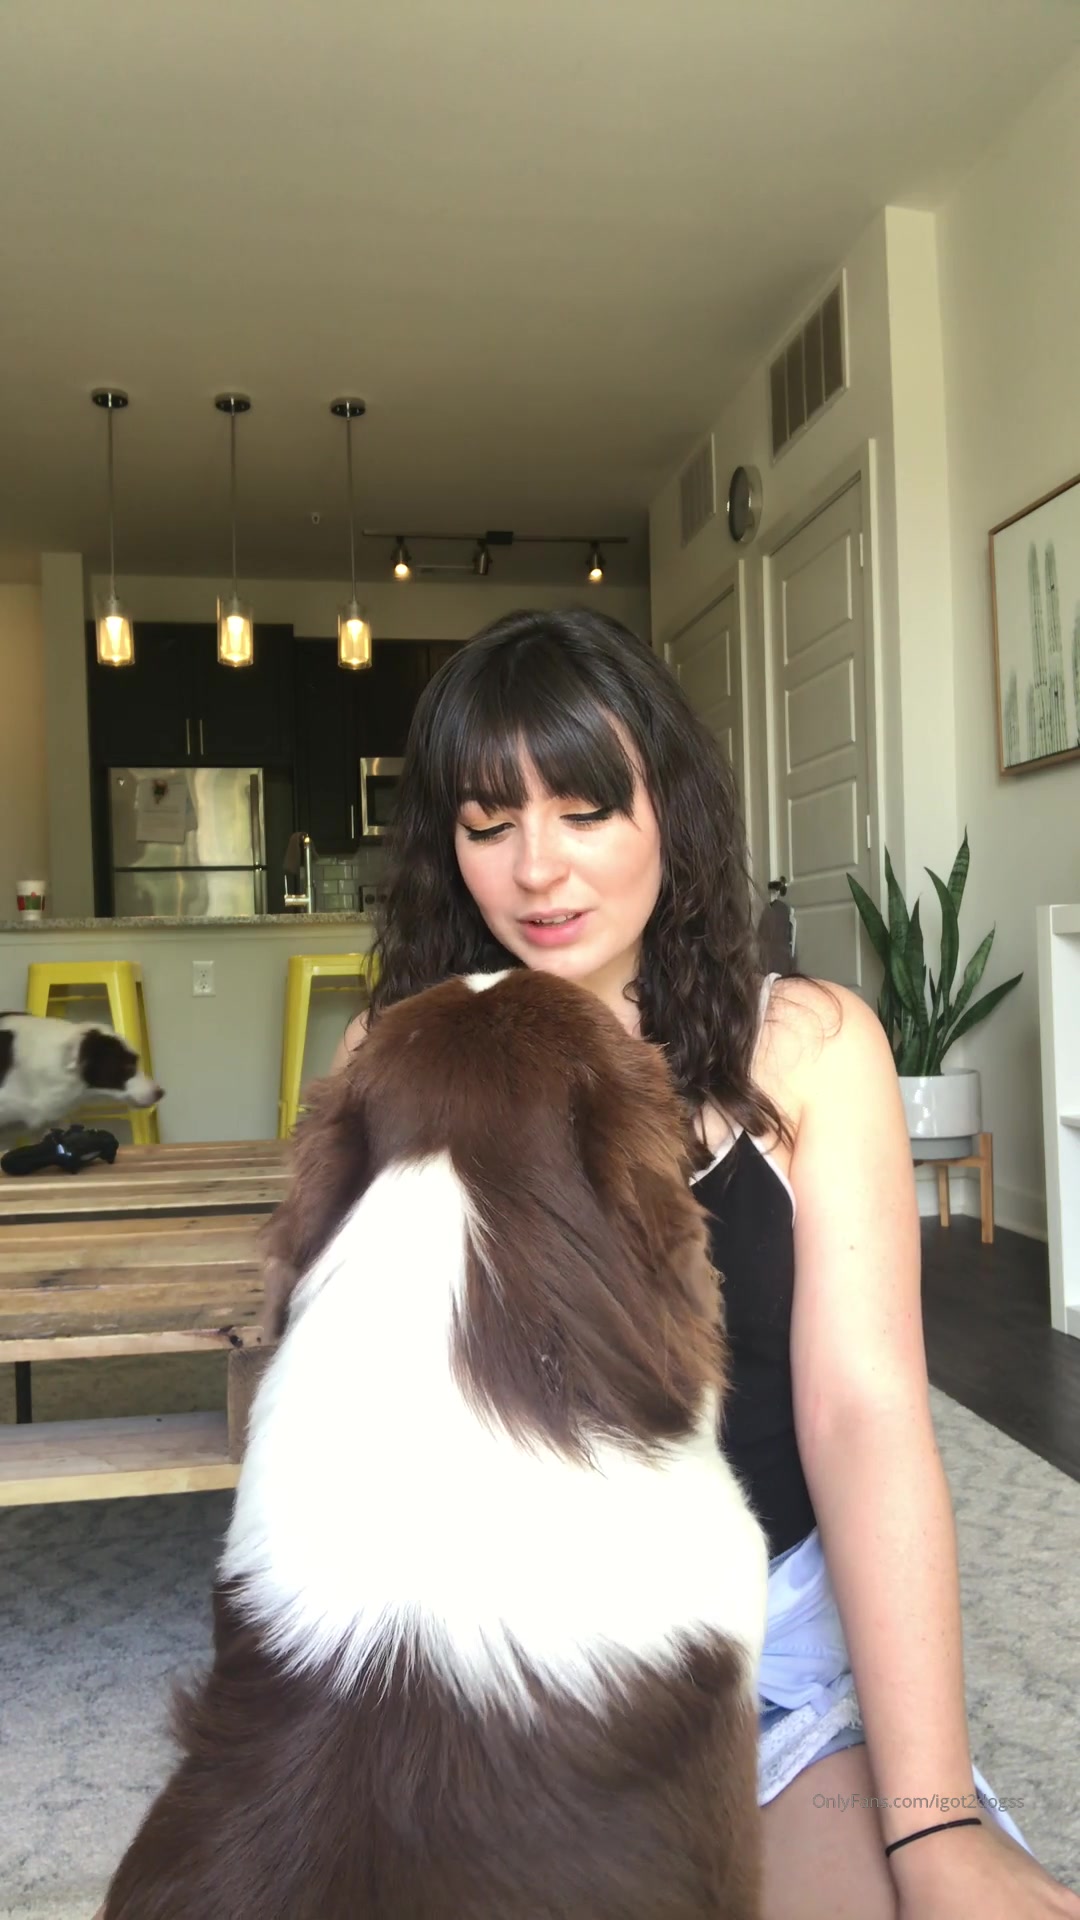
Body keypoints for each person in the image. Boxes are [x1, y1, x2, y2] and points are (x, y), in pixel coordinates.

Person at [332, 606, 1079, 1920]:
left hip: (770, 1652)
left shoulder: (810, 1047)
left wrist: (935, 1820)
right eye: (489, 824)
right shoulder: (391, 1064)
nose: (539, 870)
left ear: (668, 811)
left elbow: (864, 1418)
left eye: (585, 810)